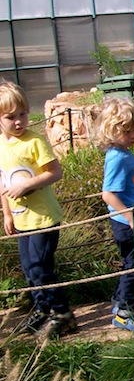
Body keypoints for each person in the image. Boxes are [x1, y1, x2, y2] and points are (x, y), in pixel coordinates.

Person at [0, 81, 76, 338]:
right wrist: (7, 213)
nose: (20, 122)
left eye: (23, 114)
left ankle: (62, 312)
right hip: (21, 220)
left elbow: (55, 172)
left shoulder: (34, 142)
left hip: (42, 218)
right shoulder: (2, 145)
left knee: (41, 266)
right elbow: (3, 182)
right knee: (29, 269)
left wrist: (28, 185)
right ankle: (42, 308)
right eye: (11, 117)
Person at [97, 98, 134, 332]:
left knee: (133, 264)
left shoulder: (123, 153)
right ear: (111, 131)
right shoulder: (118, 158)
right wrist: (132, 219)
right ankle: (124, 313)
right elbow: (108, 194)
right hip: (128, 223)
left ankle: (120, 301)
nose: (133, 135)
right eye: (126, 131)